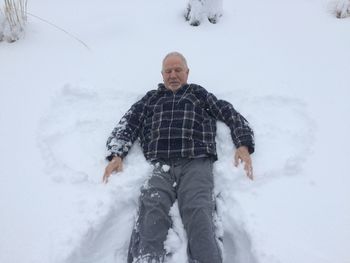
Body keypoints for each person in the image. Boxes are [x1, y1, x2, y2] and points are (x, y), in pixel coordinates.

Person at [103, 52, 255, 263]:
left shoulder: (199, 94)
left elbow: (229, 113)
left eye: (178, 70)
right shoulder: (151, 99)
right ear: (162, 74)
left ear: (187, 72)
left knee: (198, 210)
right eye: (168, 71)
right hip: (161, 164)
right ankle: (146, 259)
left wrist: (243, 144)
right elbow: (129, 123)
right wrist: (117, 154)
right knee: (152, 208)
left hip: (196, 161)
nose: (173, 75)